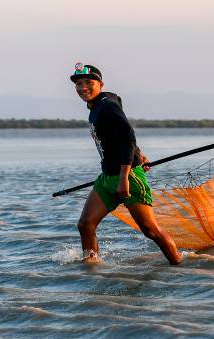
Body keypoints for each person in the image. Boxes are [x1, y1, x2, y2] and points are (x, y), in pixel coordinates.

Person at [70, 62, 182, 264]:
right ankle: (92, 270)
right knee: (85, 225)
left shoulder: (107, 106)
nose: (83, 87)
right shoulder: (101, 102)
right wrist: (139, 155)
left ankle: (179, 268)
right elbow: (122, 133)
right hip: (107, 177)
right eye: (78, 84)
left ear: (100, 84)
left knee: (150, 230)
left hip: (127, 176)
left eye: (88, 82)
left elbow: (128, 137)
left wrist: (125, 178)